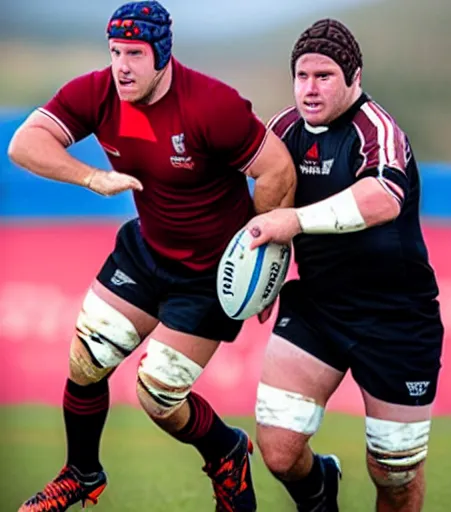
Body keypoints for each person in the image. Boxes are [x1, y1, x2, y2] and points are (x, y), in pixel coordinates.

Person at [8, 2, 296, 511]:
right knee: (86, 361)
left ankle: (227, 452)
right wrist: (92, 177)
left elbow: (277, 169)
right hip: (146, 251)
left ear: (162, 55)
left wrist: (264, 258)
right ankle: (82, 473)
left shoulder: (212, 104)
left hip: (211, 275)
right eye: (115, 51)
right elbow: (24, 144)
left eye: (135, 54)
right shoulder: (98, 92)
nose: (122, 65)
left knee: (158, 396)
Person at [245, 19, 444, 512]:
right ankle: (321, 493)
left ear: (354, 76)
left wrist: (294, 221)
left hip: (395, 317)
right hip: (317, 308)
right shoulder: (283, 129)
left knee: (393, 471)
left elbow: (382, 198)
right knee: (278, 450)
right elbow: (264, 200)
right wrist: (263, 274)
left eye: (325, 76)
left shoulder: (376, 129)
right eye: (302, 75)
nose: (310, 88)